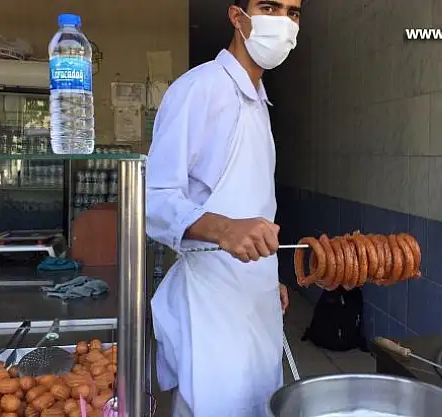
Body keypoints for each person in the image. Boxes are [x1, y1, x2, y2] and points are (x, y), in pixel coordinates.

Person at [145, 0, 302, 415]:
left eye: (292, 13)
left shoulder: (259, 104)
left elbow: (252, 203)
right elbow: (153, 200)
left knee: (262, 403)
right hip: (211, 309)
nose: (283, 22)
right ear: (237, 17)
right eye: (269, 7)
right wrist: (224, 229)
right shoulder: (200, 89)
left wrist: (267, 279)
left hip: (257, 302)